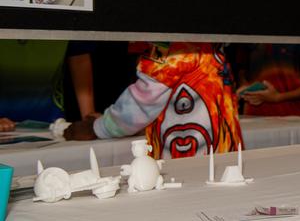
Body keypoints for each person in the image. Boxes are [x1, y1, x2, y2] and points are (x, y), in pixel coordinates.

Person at [64, 43, 243, 160]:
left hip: (187, 159)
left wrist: (98, 127)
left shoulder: (173, 44)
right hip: (219, 154)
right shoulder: (211, 42)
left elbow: (141, 102)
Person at [235, 44, 300, 117]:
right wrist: (246, 89)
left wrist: (278, 97)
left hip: (292, 117)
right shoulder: (248, 32)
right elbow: (241, 71)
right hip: (253, 115)